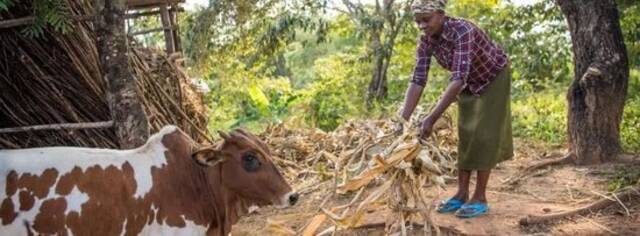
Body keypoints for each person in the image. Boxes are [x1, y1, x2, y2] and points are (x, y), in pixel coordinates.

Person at [397, 0, 513, 218]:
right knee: (466, 133)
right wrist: (402, 120)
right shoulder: (426, 41)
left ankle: (479, 197)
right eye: (418, 21)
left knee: (484, 135)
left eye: (426, 19)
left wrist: (430, 119)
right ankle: (461, 193)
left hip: (493, 77)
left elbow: (458, 79)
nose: (422, 25)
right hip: (469, 81)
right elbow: (418, 80)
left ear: (441, 14)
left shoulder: (462, 31)